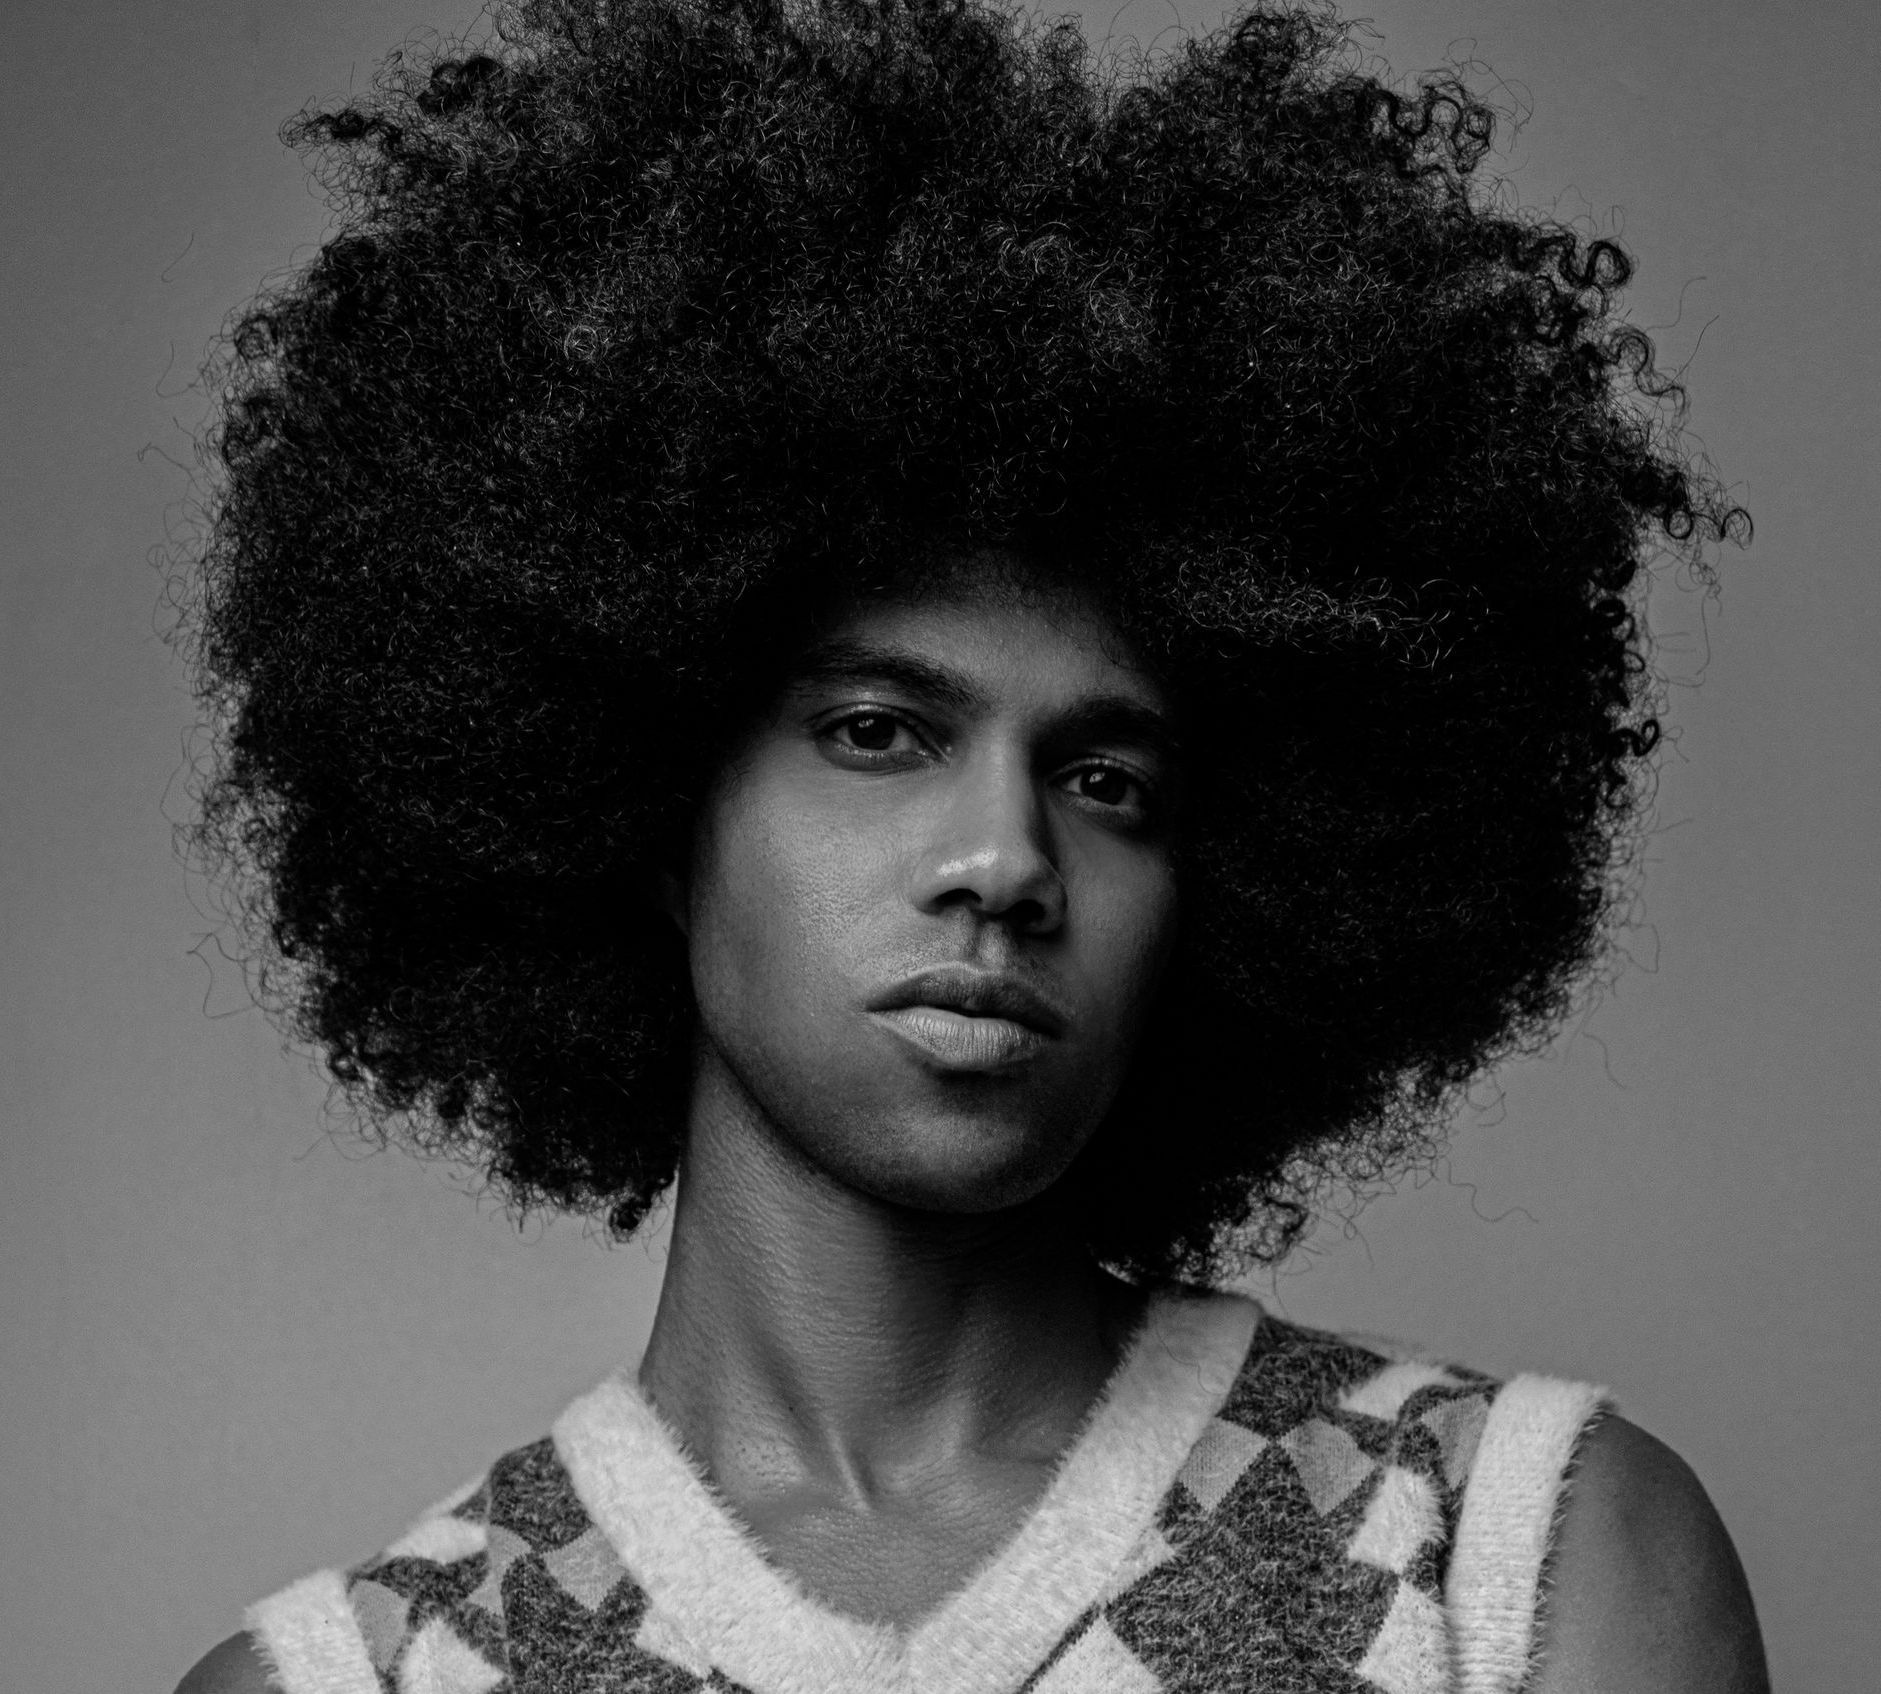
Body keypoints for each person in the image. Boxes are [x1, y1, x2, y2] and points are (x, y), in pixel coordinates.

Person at [174, 0, 1767, 1688]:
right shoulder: (361, 1674)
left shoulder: (1517, 1551)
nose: (1005, 857)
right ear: (644, 804)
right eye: (878, 732)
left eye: (1106, 780)